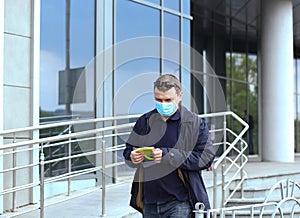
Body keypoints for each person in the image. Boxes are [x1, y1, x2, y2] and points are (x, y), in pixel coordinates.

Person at [123, 74, 215, 218]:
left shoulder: (195, 123)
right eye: (158, 100)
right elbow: (128, 150)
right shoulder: (144, 121)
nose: (163, 103)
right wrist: (131, 156)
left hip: (180, 201)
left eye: (168, 100)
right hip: (149, 202)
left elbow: (206, 157)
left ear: (179, 96)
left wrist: (168, 155)